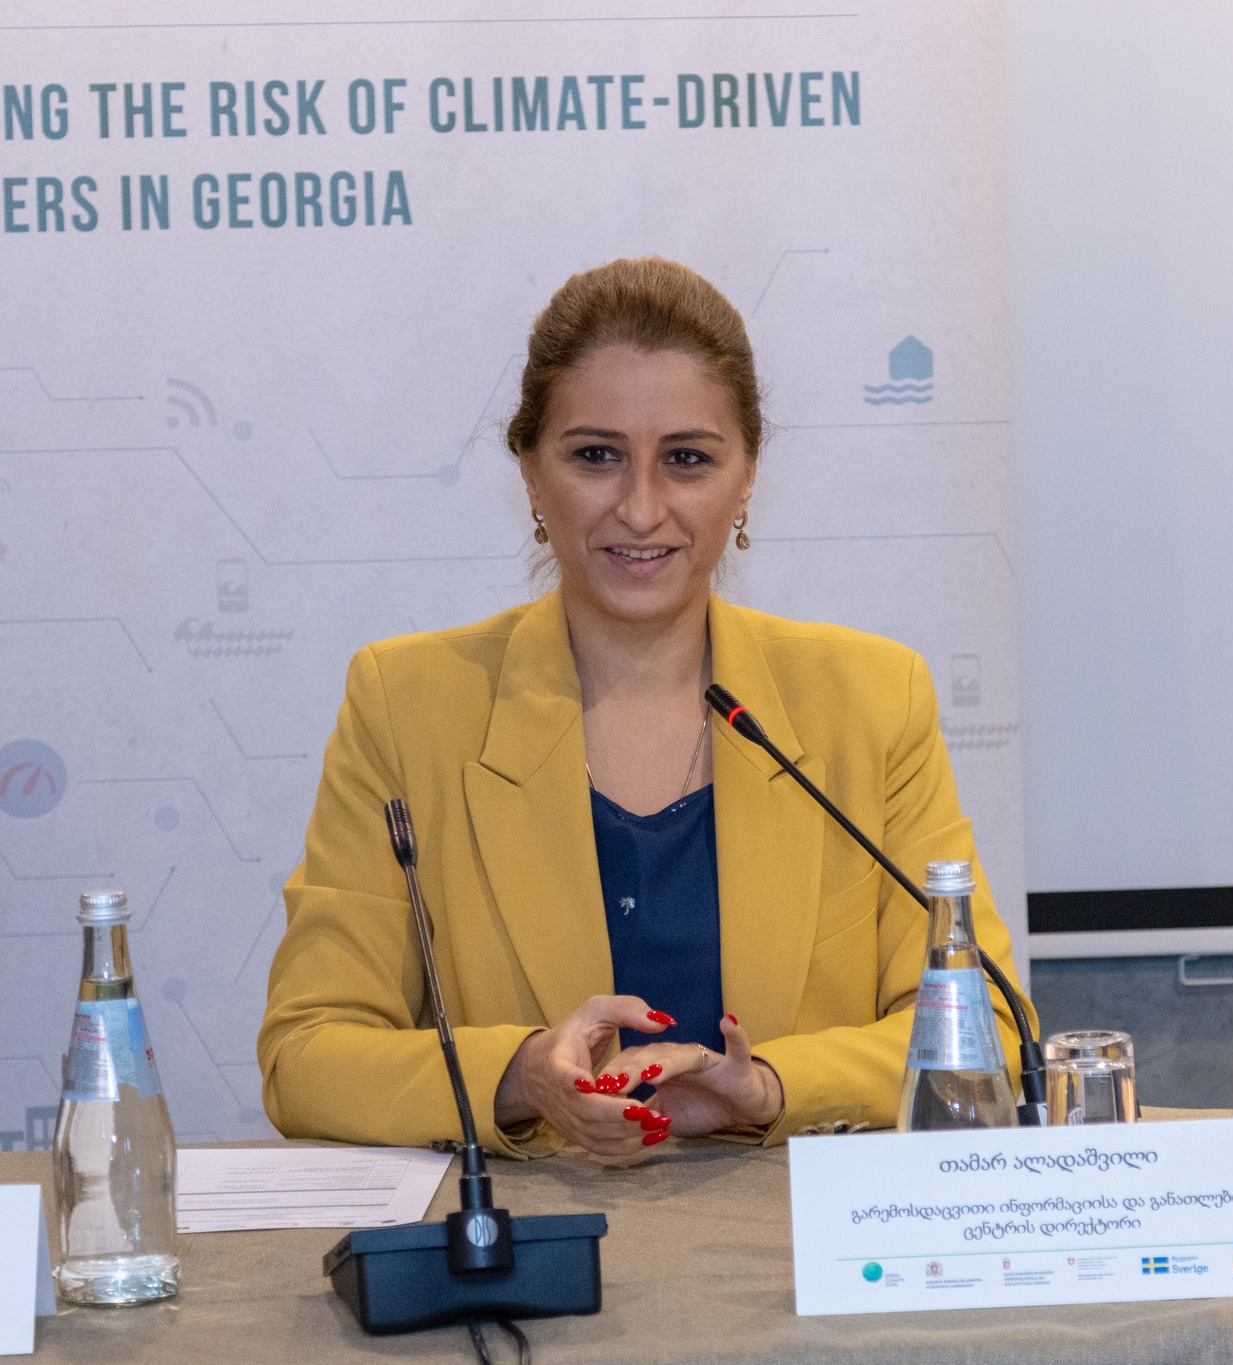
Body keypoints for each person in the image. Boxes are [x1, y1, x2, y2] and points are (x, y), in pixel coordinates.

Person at [260, 257, 1032, 1158]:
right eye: (596, 456)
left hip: (798, 1230)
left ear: (747, 477)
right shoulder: (406, 705)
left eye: (687, 459)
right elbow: (305, 1054)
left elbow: (989, 1033)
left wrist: (770, 1087)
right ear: (531, 474)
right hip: (536, 1231)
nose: (640, 508)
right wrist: (519, 1075)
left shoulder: (871, 699)